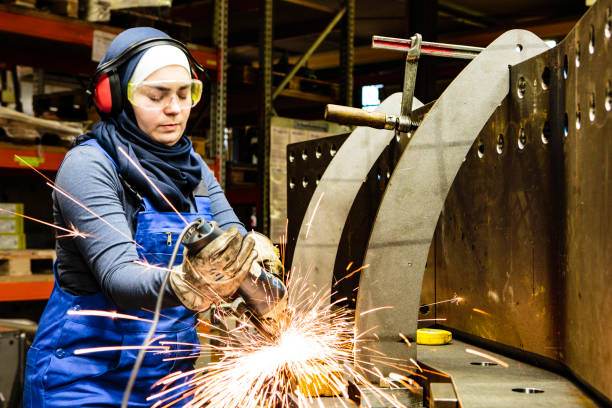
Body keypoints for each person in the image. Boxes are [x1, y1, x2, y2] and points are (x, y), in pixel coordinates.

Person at [23, 27, 280, 407]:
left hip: (170, 382)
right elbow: (119, 276)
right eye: (156, 96)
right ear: (115, 97)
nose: (174, 108)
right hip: (85, 382)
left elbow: (233, 244)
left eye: (184, 93)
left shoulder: (194, 170)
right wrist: (186, 282)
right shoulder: (90, 165)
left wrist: (256, 264)